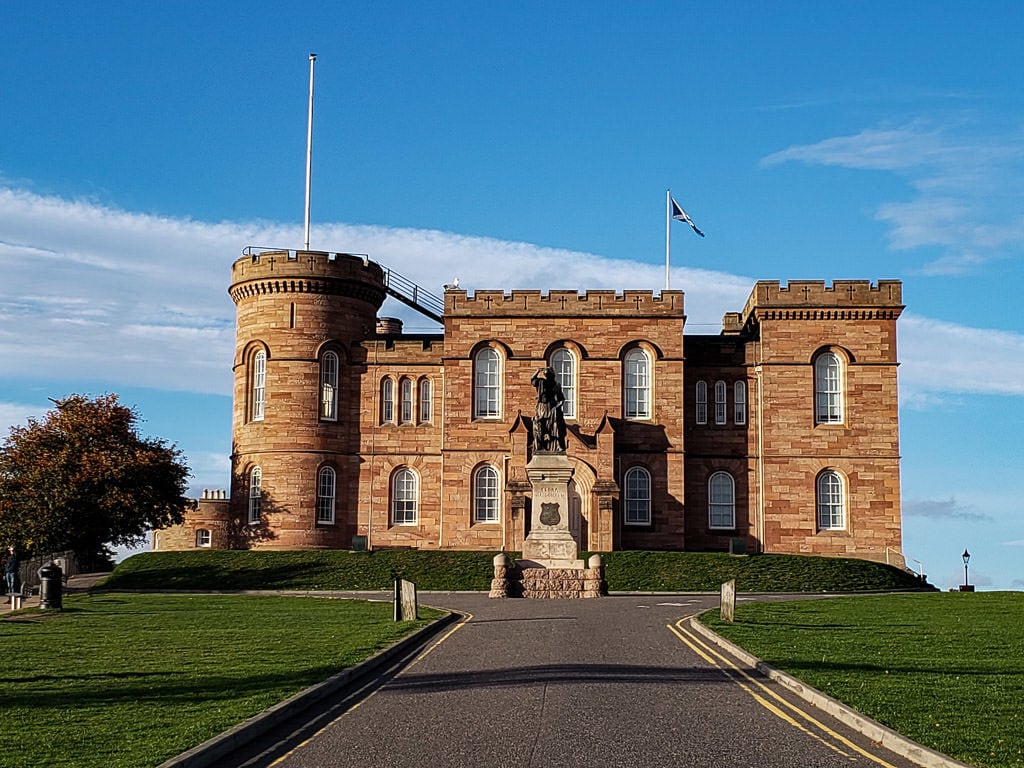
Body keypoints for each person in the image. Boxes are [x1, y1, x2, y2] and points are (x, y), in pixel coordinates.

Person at [530, 367, 567, 453]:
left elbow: (561, 399)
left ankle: (558, 445)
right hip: (541, 407)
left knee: (554, 427)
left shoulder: (556, 385)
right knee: (540, 426)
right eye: (546, 374)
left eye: (549, 374)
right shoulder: (541, 382)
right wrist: (537, 371)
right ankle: (541, 446)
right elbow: (532, 379)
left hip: (551, 407)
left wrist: (556, 407)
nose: (547, 376)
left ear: (552, 375)